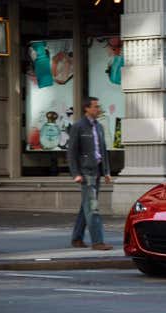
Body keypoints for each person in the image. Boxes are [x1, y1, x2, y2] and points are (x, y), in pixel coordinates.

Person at [67, 97, 113, 250]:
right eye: (95, 107)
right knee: (92, 207)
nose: (98, 109)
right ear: (87, 108)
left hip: (98, 170)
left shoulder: (99, 126)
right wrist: (76, 174)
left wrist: (106, 171)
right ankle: (97, 242)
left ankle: (76, 239)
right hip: (86, 172)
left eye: (98, 106)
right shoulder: (78, 126)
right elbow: (72, 152)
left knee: (86, 206)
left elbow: (103, 150)